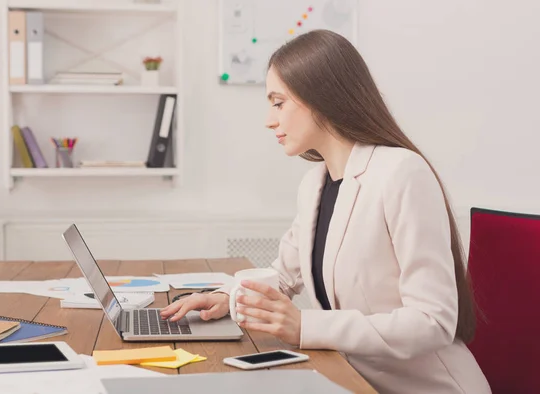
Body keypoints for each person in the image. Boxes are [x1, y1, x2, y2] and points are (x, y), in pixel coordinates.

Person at [161, 29, 490, 393]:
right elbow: (283, 276)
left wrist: (305, 327)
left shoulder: (401, 173)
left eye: (278, 102)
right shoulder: (315, 184)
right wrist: (227, 298)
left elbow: (433, 321)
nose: (269, 120)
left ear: (321, 97)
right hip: (352, 380)